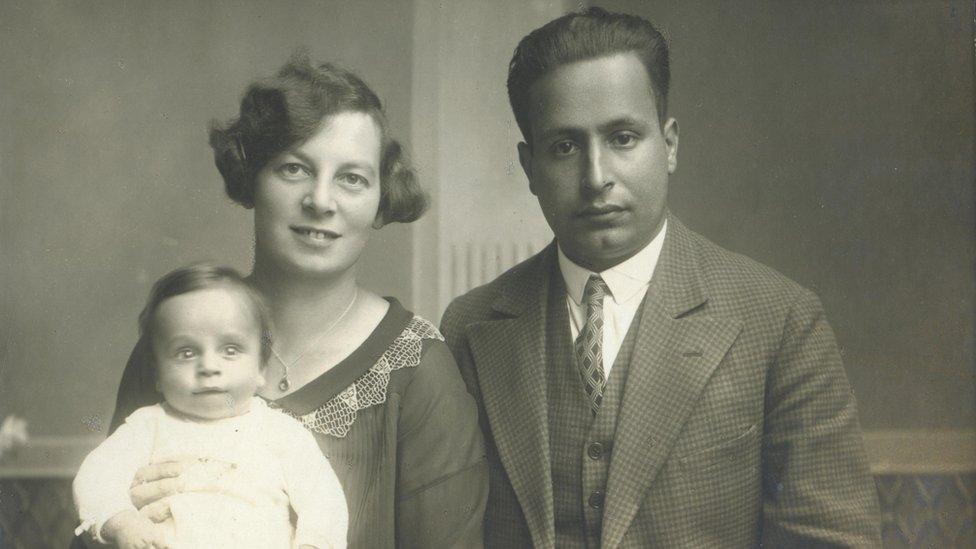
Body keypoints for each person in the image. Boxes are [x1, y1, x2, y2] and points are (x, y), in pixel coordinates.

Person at [440, 7, 881, 548]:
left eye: (623, 138)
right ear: (530, 169)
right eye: (564, 147)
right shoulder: (472, 326)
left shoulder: (780, 319)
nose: (597, 177)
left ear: (668, 145)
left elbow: (831, 540)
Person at [93, 56, 488, 548]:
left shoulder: (420, 374)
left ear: (381, 200)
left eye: (352, 178)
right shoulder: (180, 338)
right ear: (251, 177)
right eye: (295, 168)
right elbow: (97, 513)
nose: (321, 200)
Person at [74, 265, 348, 549]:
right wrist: (123, 522)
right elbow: (96, 476)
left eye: (230, 349)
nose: (208, 367)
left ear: (261, 367)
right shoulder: (147, 426)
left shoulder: (281, 433)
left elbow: (324, 500)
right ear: (158, 374)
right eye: (186, 352)